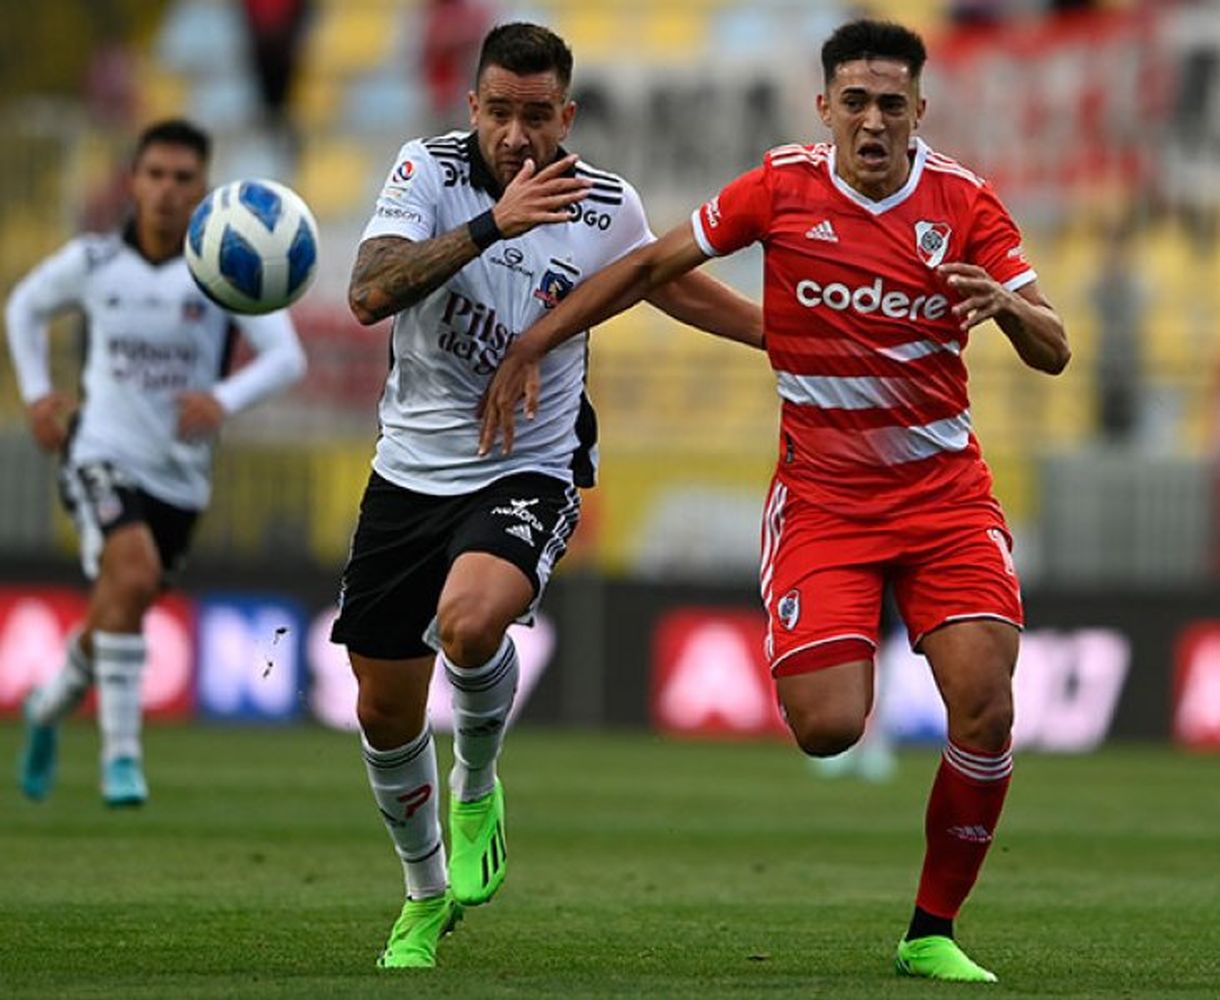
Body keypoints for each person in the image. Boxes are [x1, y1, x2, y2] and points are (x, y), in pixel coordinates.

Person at [481, 19, 1069, 983]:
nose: (872, 122)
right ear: (824, 107)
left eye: (891, 105)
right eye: (855, 103)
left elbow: (1057, 351)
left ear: (920, 111)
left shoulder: (964, 204)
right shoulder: (781, 187)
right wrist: (534, 340)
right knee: (829, 725)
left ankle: (931, 931)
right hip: (826, 499)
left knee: (986, 706)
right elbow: (646, 267)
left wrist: (1009, 308)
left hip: (942, 496)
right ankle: (814, 638)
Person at [336, 22, 761, 969]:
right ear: (472, 108)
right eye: (501, 113)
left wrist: (779, 335)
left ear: (566, 114)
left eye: (538, 115)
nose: (518, 136)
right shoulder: (427, 173)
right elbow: (368, 295)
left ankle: (478, 778)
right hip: (409, 468)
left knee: (472, 619)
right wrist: (494, 224)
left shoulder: (605, 203)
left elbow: (661, 285)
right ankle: (423, 894)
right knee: (383, 711)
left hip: (529, 460)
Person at [7, 118, 306, 807]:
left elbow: (288, 356)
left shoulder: (225, 271)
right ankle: (121, 758)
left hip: (182, 476)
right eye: (155, 175)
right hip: (100, 453)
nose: (168, 191)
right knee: (133, 573)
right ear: (133, 182)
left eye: (183, 179)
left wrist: (222, 400)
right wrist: (36, 395)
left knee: (122, 598)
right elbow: (22, 308)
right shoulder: (92, 263)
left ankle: (49, 707)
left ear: (204, 190)